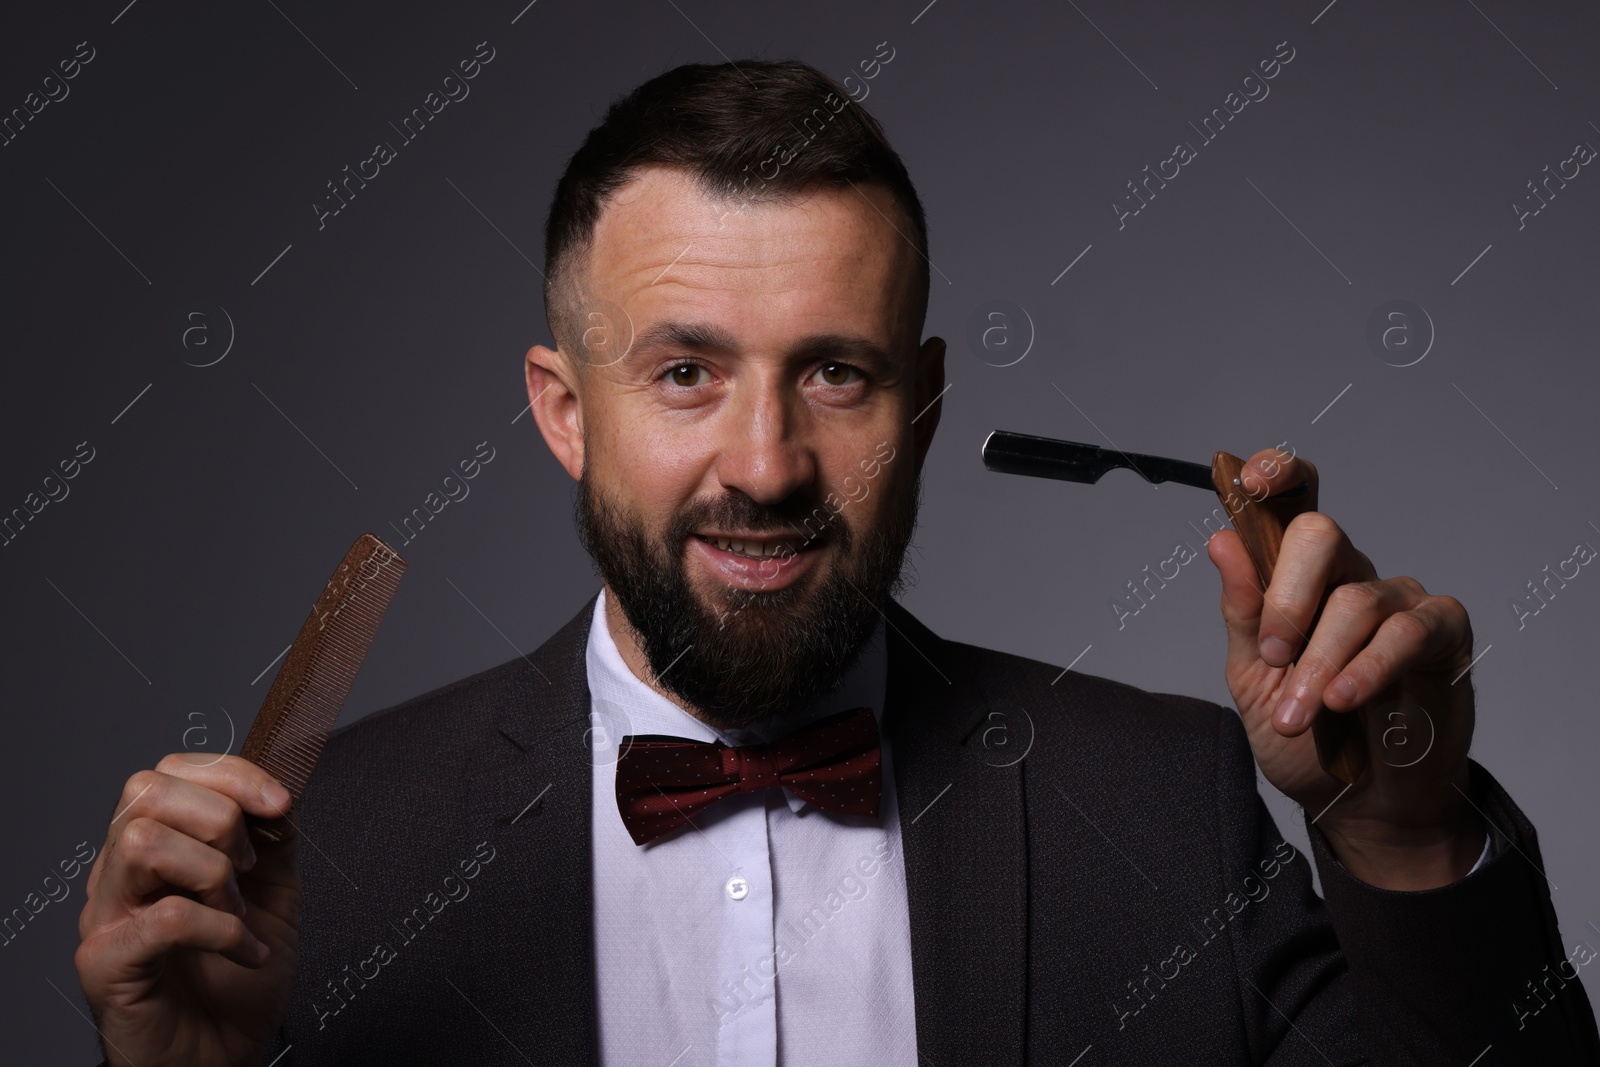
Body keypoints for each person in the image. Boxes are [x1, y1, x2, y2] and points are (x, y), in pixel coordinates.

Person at [74, 59, 1599, 1066]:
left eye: (836, 375)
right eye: (684, 373)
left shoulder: (1169, 813)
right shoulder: (310, 862)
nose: (764, 462)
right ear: (562, 412)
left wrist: (1398, 830)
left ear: (923, 407)